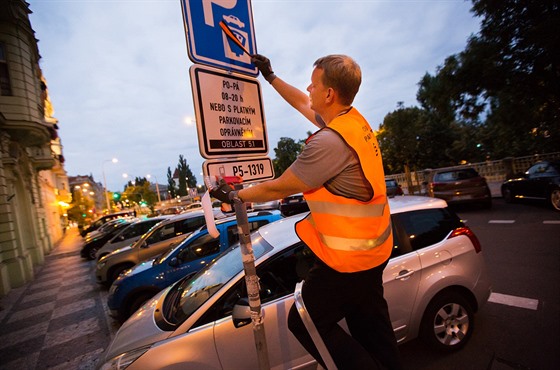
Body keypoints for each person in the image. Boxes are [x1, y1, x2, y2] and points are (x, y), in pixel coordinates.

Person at [211, 54, 403, 370]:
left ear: (329, 94)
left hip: (346, 261)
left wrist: (235, 195)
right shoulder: (353, 124)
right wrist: (270, 77)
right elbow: (302, 102)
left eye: (314, 85)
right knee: (372, 329)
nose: (308, 89)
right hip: (374, 251)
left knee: (304, 320)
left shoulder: (329, 142)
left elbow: (278, 188)